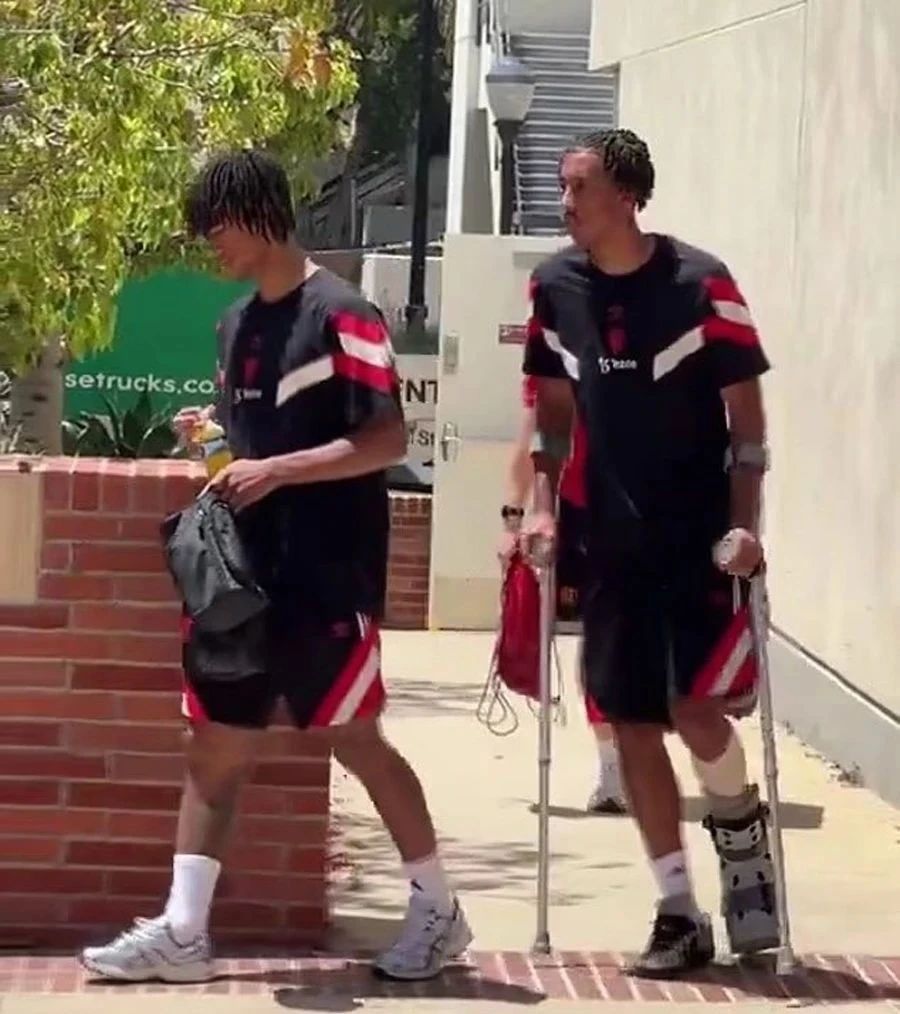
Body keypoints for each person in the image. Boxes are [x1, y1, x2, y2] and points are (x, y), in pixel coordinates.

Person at [80, 149, 472, 984]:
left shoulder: (345, 314)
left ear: (259, 213)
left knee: (354, 738)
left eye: (217, 225)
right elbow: (249, 449)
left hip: (329, 573)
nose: (210, 243)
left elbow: (387, 440)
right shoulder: (234, 326)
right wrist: (216, 439)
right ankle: (183, 933)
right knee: (213, 748)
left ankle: (438, 910)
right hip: (241, 581)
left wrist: (280, 470)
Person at [521, 128, 775, 977]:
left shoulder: (702, 284)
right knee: (631, 722)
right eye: (564, 186)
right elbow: (552, 415)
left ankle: (740, 829)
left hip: (699, 538)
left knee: (696, 710)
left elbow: (748, 421)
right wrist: (540, 509)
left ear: (627, 195)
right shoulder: (554, 287)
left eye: (580, 187)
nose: (565, 202)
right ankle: (677, 911)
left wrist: (745, 526)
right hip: (609, 539)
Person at [499, 375, 627, 814]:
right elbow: (530, 436)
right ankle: (613, 769)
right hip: (579, 513)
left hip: (643, 509)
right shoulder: (553, 354)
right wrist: (514, 519)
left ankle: (627, 756)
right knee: (600, 641)